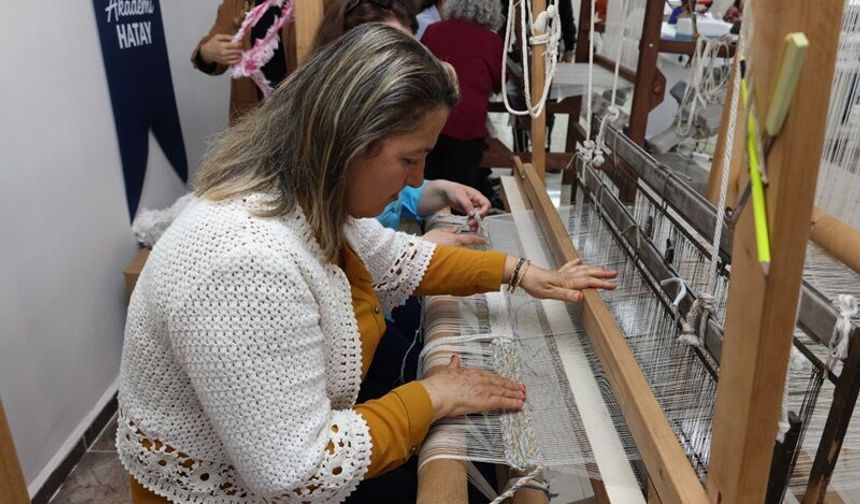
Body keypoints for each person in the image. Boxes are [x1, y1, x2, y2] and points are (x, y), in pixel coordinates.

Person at [120, 25, 616, 504]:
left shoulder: (305, 199)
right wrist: (434, 397)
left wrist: (522, 273)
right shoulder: (245, 263)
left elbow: (401, 258)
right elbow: (298, 470)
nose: (419, 178)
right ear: (349, 143)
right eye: (410, 158)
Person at [422, 0, 504, 200]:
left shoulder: (433, 30)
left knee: (427, 190)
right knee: (461, 194)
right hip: (467, 127)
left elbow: (419, 71)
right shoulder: (491, 41)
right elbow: (498, 83)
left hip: (430, 122)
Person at [192, 0, 296, 125]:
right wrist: (206, 52)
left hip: (299, 111)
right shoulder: (236, 3)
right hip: (251, 118)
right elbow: (208, 55)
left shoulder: (310, 4)